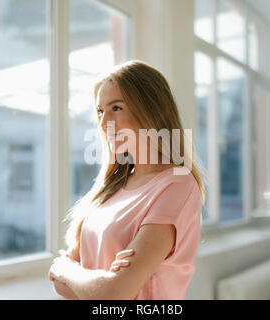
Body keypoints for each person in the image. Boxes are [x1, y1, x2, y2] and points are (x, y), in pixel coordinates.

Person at [48, 60, 207, 300]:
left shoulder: (178, 185)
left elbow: (112, 295)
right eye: (101, 111)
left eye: (116, 108)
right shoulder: (111, 188)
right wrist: (98, 281)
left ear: (152, 110)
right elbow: (61, 287)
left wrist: (65, 268)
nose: (103, 123)